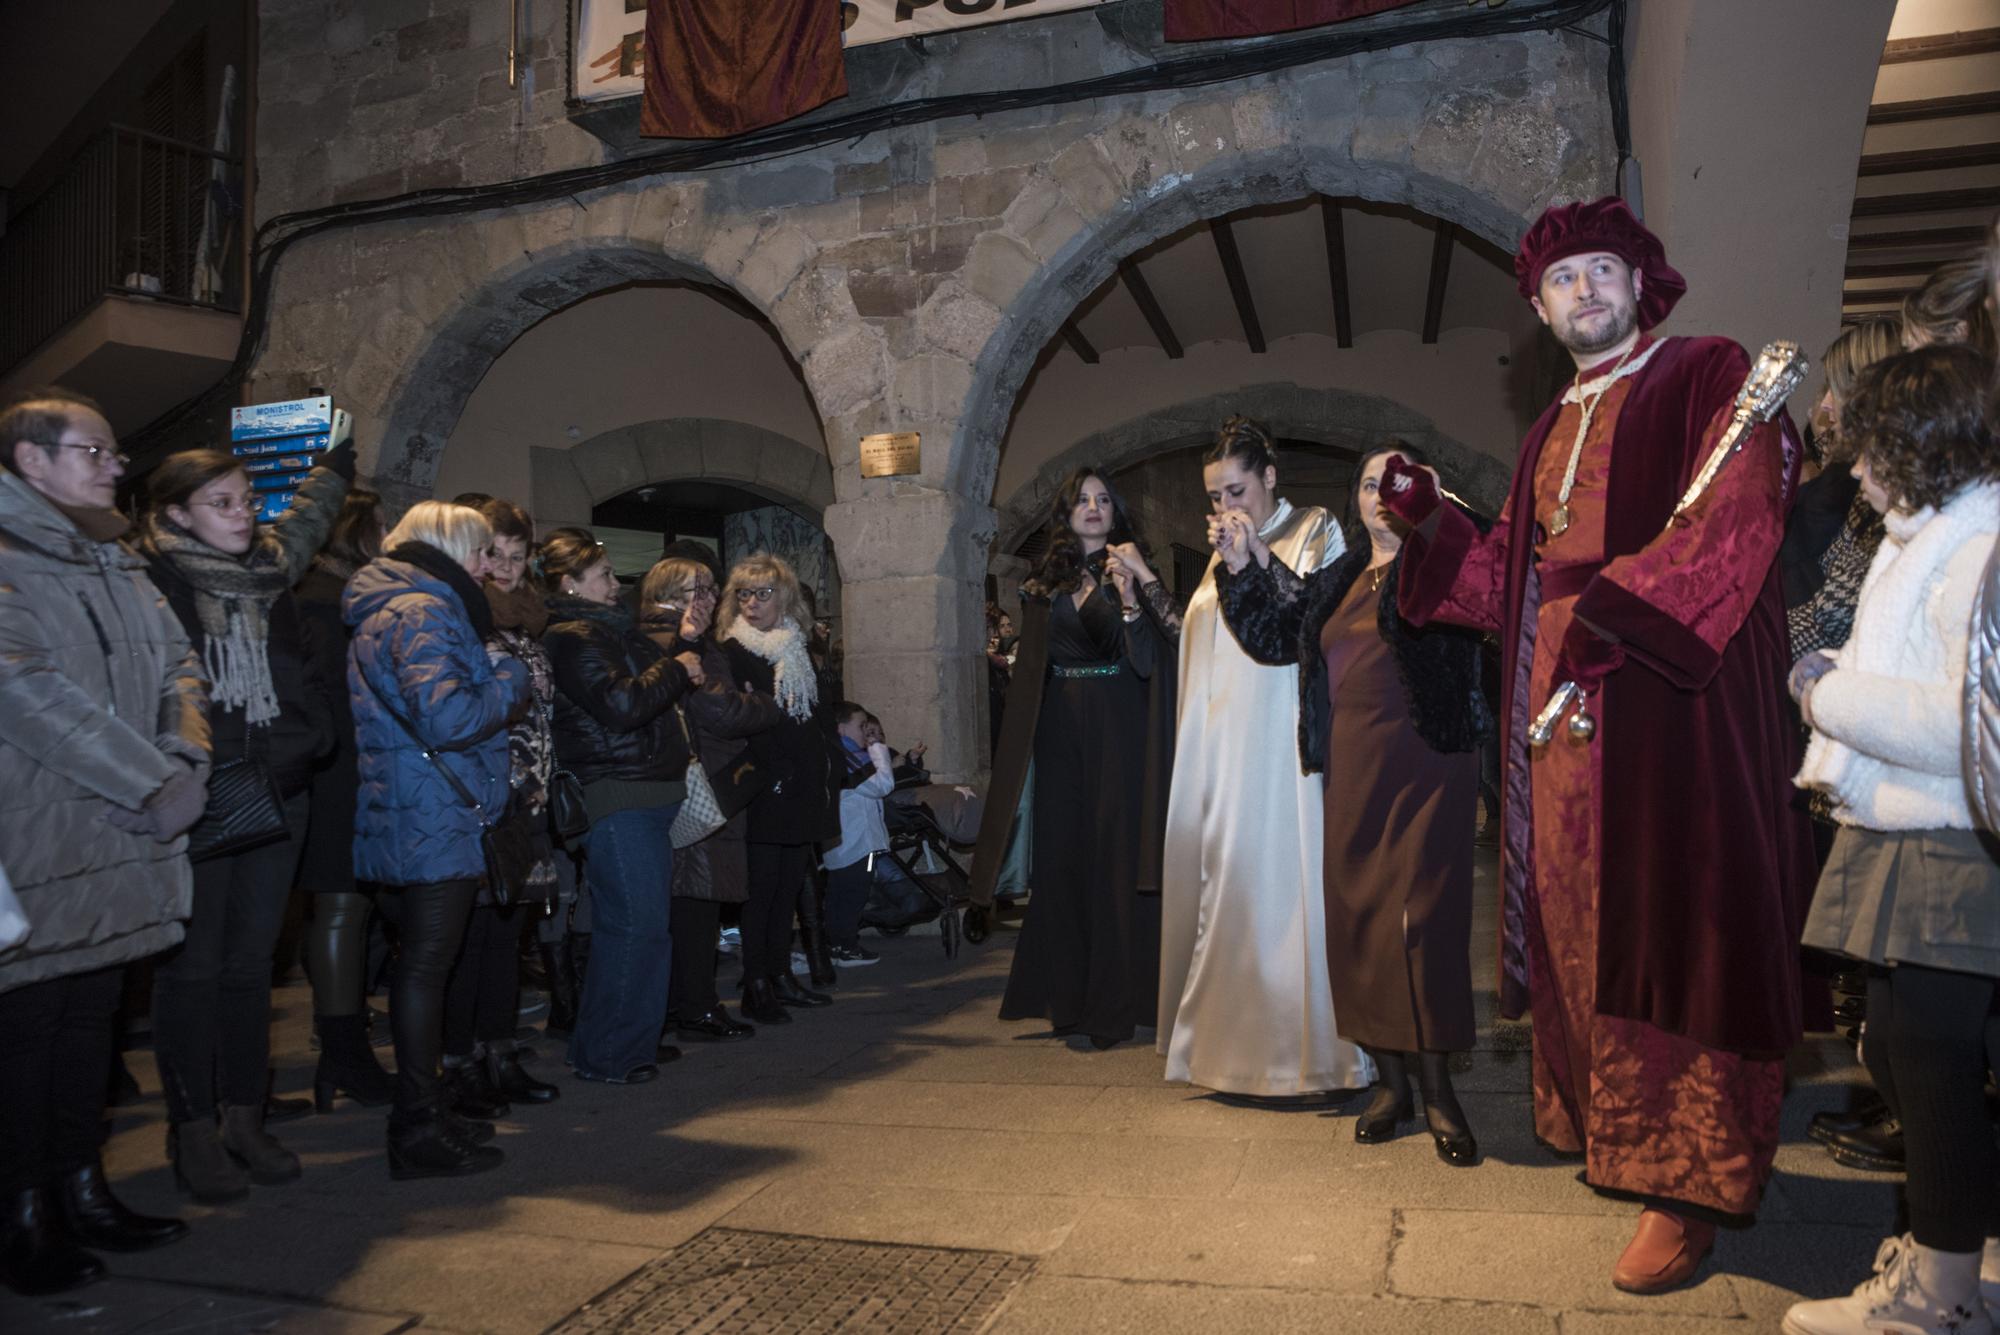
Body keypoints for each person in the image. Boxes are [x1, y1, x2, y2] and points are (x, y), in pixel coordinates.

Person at [1378, 197, 1817, 1293]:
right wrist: (1430, 521)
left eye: (1598, 272)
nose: (1582, 292)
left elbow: (1743, 509)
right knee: (1580, 925)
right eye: (1560, 282)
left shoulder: (1706, 375)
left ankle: (1686, 1187)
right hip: (1557, 725)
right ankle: (1615, 1132)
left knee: (1674, 927)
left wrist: (1620, 621)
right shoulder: (1543, 432)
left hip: (1667, 702)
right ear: (1538, 309)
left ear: (1639, 282)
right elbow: (1505, 589)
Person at [1783, 344, 2000, 1335]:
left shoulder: (1973, 539)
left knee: (1926, 1057)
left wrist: (1824, 691)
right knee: (1903, 1046)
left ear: (1923, 442)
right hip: (1908, 820)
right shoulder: (1928, 532)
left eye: (1869, 449)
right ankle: (1944, 1256)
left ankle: (1941, 1294)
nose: (1854, 471)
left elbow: (1959, 716)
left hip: (1945, 830)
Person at [1216, 440, 1489, 1164]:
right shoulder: (1339, 578)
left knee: (1422, 921)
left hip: (1430, 758)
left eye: (1397, 482)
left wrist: (1432, 510)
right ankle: (1391, 1085)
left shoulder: (1443, 559)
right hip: (1354, 768)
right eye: (1369, 483)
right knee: (1362, 921)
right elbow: (1280, 634)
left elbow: (1483, 557)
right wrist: (1244, 568)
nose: (1380, 494)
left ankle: (1440, 1091)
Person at [0, 391, 205, 1294]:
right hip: (39, 829)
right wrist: (151, 780)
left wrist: (184, 759)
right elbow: (26, 691)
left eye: (114, 451)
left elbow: (180, 666)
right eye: (95, 449)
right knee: (27, 1029)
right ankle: (21, 1212)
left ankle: (85, 1188)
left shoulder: (118, 561)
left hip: (129, 829)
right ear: (30, 461)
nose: (115, 465)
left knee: (92, 1021)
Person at [136, 443, 351, 1200]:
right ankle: (191, 1127)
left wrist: (312, 733)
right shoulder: (150, 580)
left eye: (245, 498)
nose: (242, 513)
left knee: (251, 965)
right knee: (192, 967)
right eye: (221, 503)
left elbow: (306, 667)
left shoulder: (270, 575)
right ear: (174, 513)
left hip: (277, 790)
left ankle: (242, 1116)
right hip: (197, 792)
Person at [1155, 416, 1372, 1102]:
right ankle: (1225, 1048)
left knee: (1286, 883)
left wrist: (1258, 560)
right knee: (1228, 883)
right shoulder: (1219, 550)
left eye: (1237, 489)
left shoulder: (1314, 531)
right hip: (1221, 746)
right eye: (1216, 496)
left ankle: (1303, 1053)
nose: (1226, 508)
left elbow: (1314, 619)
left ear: (1270, 478)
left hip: (1283, 744)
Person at [347, 501, 530, 1179]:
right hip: (431, 813)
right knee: (427, 968)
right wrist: (511, 681)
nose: (489, 565)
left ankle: (430, 1110)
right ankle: (416, 1123)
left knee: (428, 966)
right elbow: (450, 714)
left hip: (419, 808)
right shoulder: (422, 610)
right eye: (480, 551)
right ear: (449, 546)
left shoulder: (399, 603)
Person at [971, 467, 1180, 1050]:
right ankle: (1067, 1000)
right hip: (1060, 728)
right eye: (1082, 500)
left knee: (1116, 857)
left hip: (1121, 722)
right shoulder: (1044, 584)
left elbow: (1152, 658)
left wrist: (1132, 597)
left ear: (1116, 512)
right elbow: (1033, 668)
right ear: (1065, 514)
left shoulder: (1134, 571)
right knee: (1063, 859)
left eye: (1103, 500)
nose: (1093, 507)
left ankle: (1117, 1006)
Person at [542, 529, 698, 1084]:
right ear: (569, 584)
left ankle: (615, 1040)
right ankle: (613, 1054)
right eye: (604, 575)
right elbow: (623, 704)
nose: (616, 583)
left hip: (640, 791)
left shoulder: (607, 631)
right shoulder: (576, 636)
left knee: (631, 927)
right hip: (617, 794)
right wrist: (678, 666)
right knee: (636, 927)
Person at [433, 498, 559, 1113]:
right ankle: (458, 1064)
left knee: (508, 936)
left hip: (528, 802)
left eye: (517, 555)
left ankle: (500, 1052)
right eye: (495, 555)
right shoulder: (462, 619)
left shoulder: (530, 620)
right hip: (482, 802)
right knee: (472, 938)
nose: (506, 567)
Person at [638, 555, 776, 1044]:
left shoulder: (690, 641)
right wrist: (763, 701)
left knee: (695, 904)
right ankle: (694, 1007)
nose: (711, 599)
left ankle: (687, 1004)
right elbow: (721, 709)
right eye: (697, 590)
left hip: (699, 781)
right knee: (695, 903)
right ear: (669, 596)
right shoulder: (673, 641)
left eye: (712, 589)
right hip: (697, 784)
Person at [294, 488, 396, 1112]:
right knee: (341, 909)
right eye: (379, 524)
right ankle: (342, 1050)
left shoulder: (337, 597)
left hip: (349, 767)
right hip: (337, 772)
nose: (384, 535)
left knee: (349, 910)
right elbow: (330, 696)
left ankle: (345, 1042)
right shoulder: (324, 603)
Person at [719, 553, 842, 1023]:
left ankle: (780, 976)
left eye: (763, 593)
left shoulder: (796, 646)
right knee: (762, 890)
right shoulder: (733, 651)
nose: (752, 603)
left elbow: (814, 719)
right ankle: (756, 984)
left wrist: (827, 772)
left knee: (789, 887)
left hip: (803, 788)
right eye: (743, 594)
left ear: (785, 596)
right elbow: (743, 724)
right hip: (765, 789)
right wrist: (776, 771)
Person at [825, 703, 897, 968]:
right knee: (852, 894)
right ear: (841, 728)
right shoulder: (849, 756)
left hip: (844, 842)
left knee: (840, 894)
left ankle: (837, 946)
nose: (865, 732)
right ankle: (846, 947)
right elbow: (883, 785)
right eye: (861, 726)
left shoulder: (841, 754)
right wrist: (877, 746)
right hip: (857, 844)